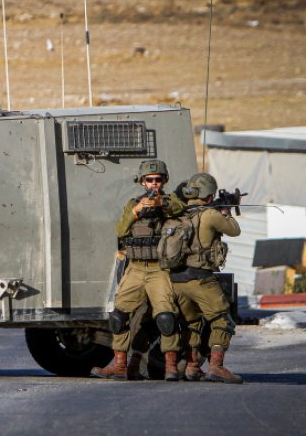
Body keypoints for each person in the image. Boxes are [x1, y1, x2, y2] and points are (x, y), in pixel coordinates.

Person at [92, 160, 186, 381]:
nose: (154, 184)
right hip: (135, 268)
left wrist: (160, 205)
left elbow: (178, 208)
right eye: (150, 180)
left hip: (158, 269)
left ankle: (171, 366)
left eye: (158, 180)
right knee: (118, 316)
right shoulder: (133, 203)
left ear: (164, 181)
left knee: (165, 317)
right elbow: (121, 229)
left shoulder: (169, 202)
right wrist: (136, 211)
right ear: (142, 182)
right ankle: (120, 364)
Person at [171, 173, 243, 384]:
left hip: (177, 280)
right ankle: (216, 367)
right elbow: (234, 231)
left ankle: (192, 367)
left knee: (191, 323)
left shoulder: (177, 214)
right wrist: (226, 212)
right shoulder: (211, 215)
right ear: (210, 196)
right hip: (201, 279)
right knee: (222, 319)